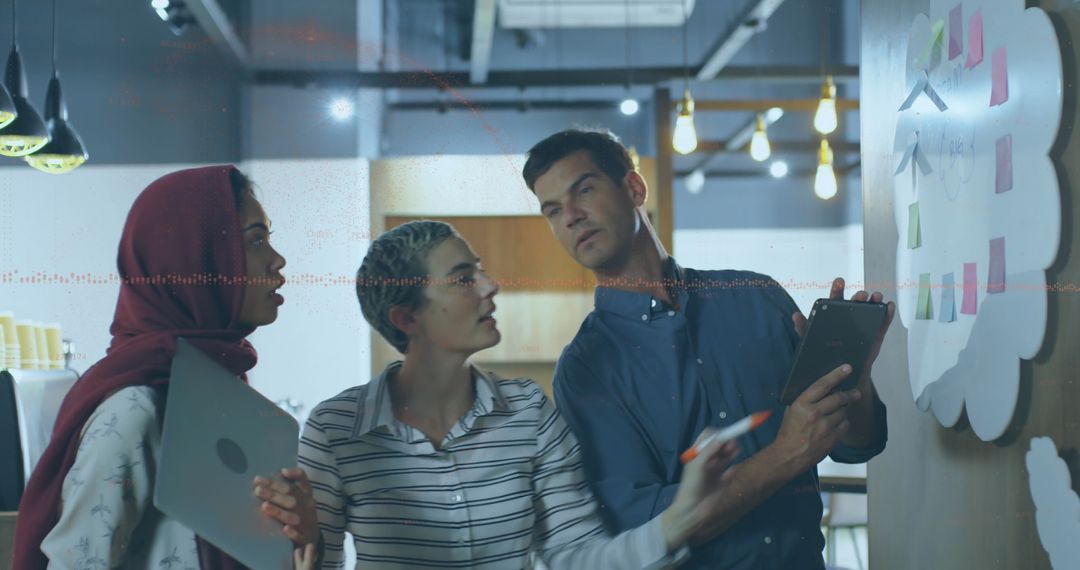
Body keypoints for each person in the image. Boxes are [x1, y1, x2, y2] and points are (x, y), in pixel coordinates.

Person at [522, 129, 895, 569]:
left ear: (634, 187)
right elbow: (643, 526)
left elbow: (859, 444)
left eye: (583, 190)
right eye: (551, 211)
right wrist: (784, 454)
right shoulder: (586, 369)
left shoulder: (758, 297)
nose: (570, 217)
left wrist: (854, 383)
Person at [299, 220, 749, 568]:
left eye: (479, 269)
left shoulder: (529, 412)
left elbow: (579, 558)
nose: (490, 285)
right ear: (405, 319)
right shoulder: (335, 430)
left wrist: (683, 516)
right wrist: (301, 538)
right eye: (462, 278)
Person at [12, 165, 320, 569]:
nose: (277, 260)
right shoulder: (137, 410)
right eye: (256, 239)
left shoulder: (222, 398)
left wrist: (303, 543)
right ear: (198, 258)